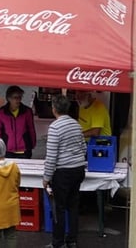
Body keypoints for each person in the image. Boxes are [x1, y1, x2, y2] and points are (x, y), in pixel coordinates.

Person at [42, 94, 87, 248]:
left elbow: (51, 156)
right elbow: (84, 148)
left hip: (63, 173)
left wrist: (46, 177)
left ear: (54, 109)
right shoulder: (76, 124)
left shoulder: (55, 127)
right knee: (73, 206)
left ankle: (58, 243)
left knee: (58, 209)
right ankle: (72, 240)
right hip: (78, 169)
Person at [0, 85, 36, 159]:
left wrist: (32, 144)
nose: (18, 100)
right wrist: (0, 146)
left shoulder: (27, 111)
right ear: (8, 98)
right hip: (7, 149)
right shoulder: (1, 113)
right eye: (15, 98)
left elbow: (31, 128)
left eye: (20, 97)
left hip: (24, 149)